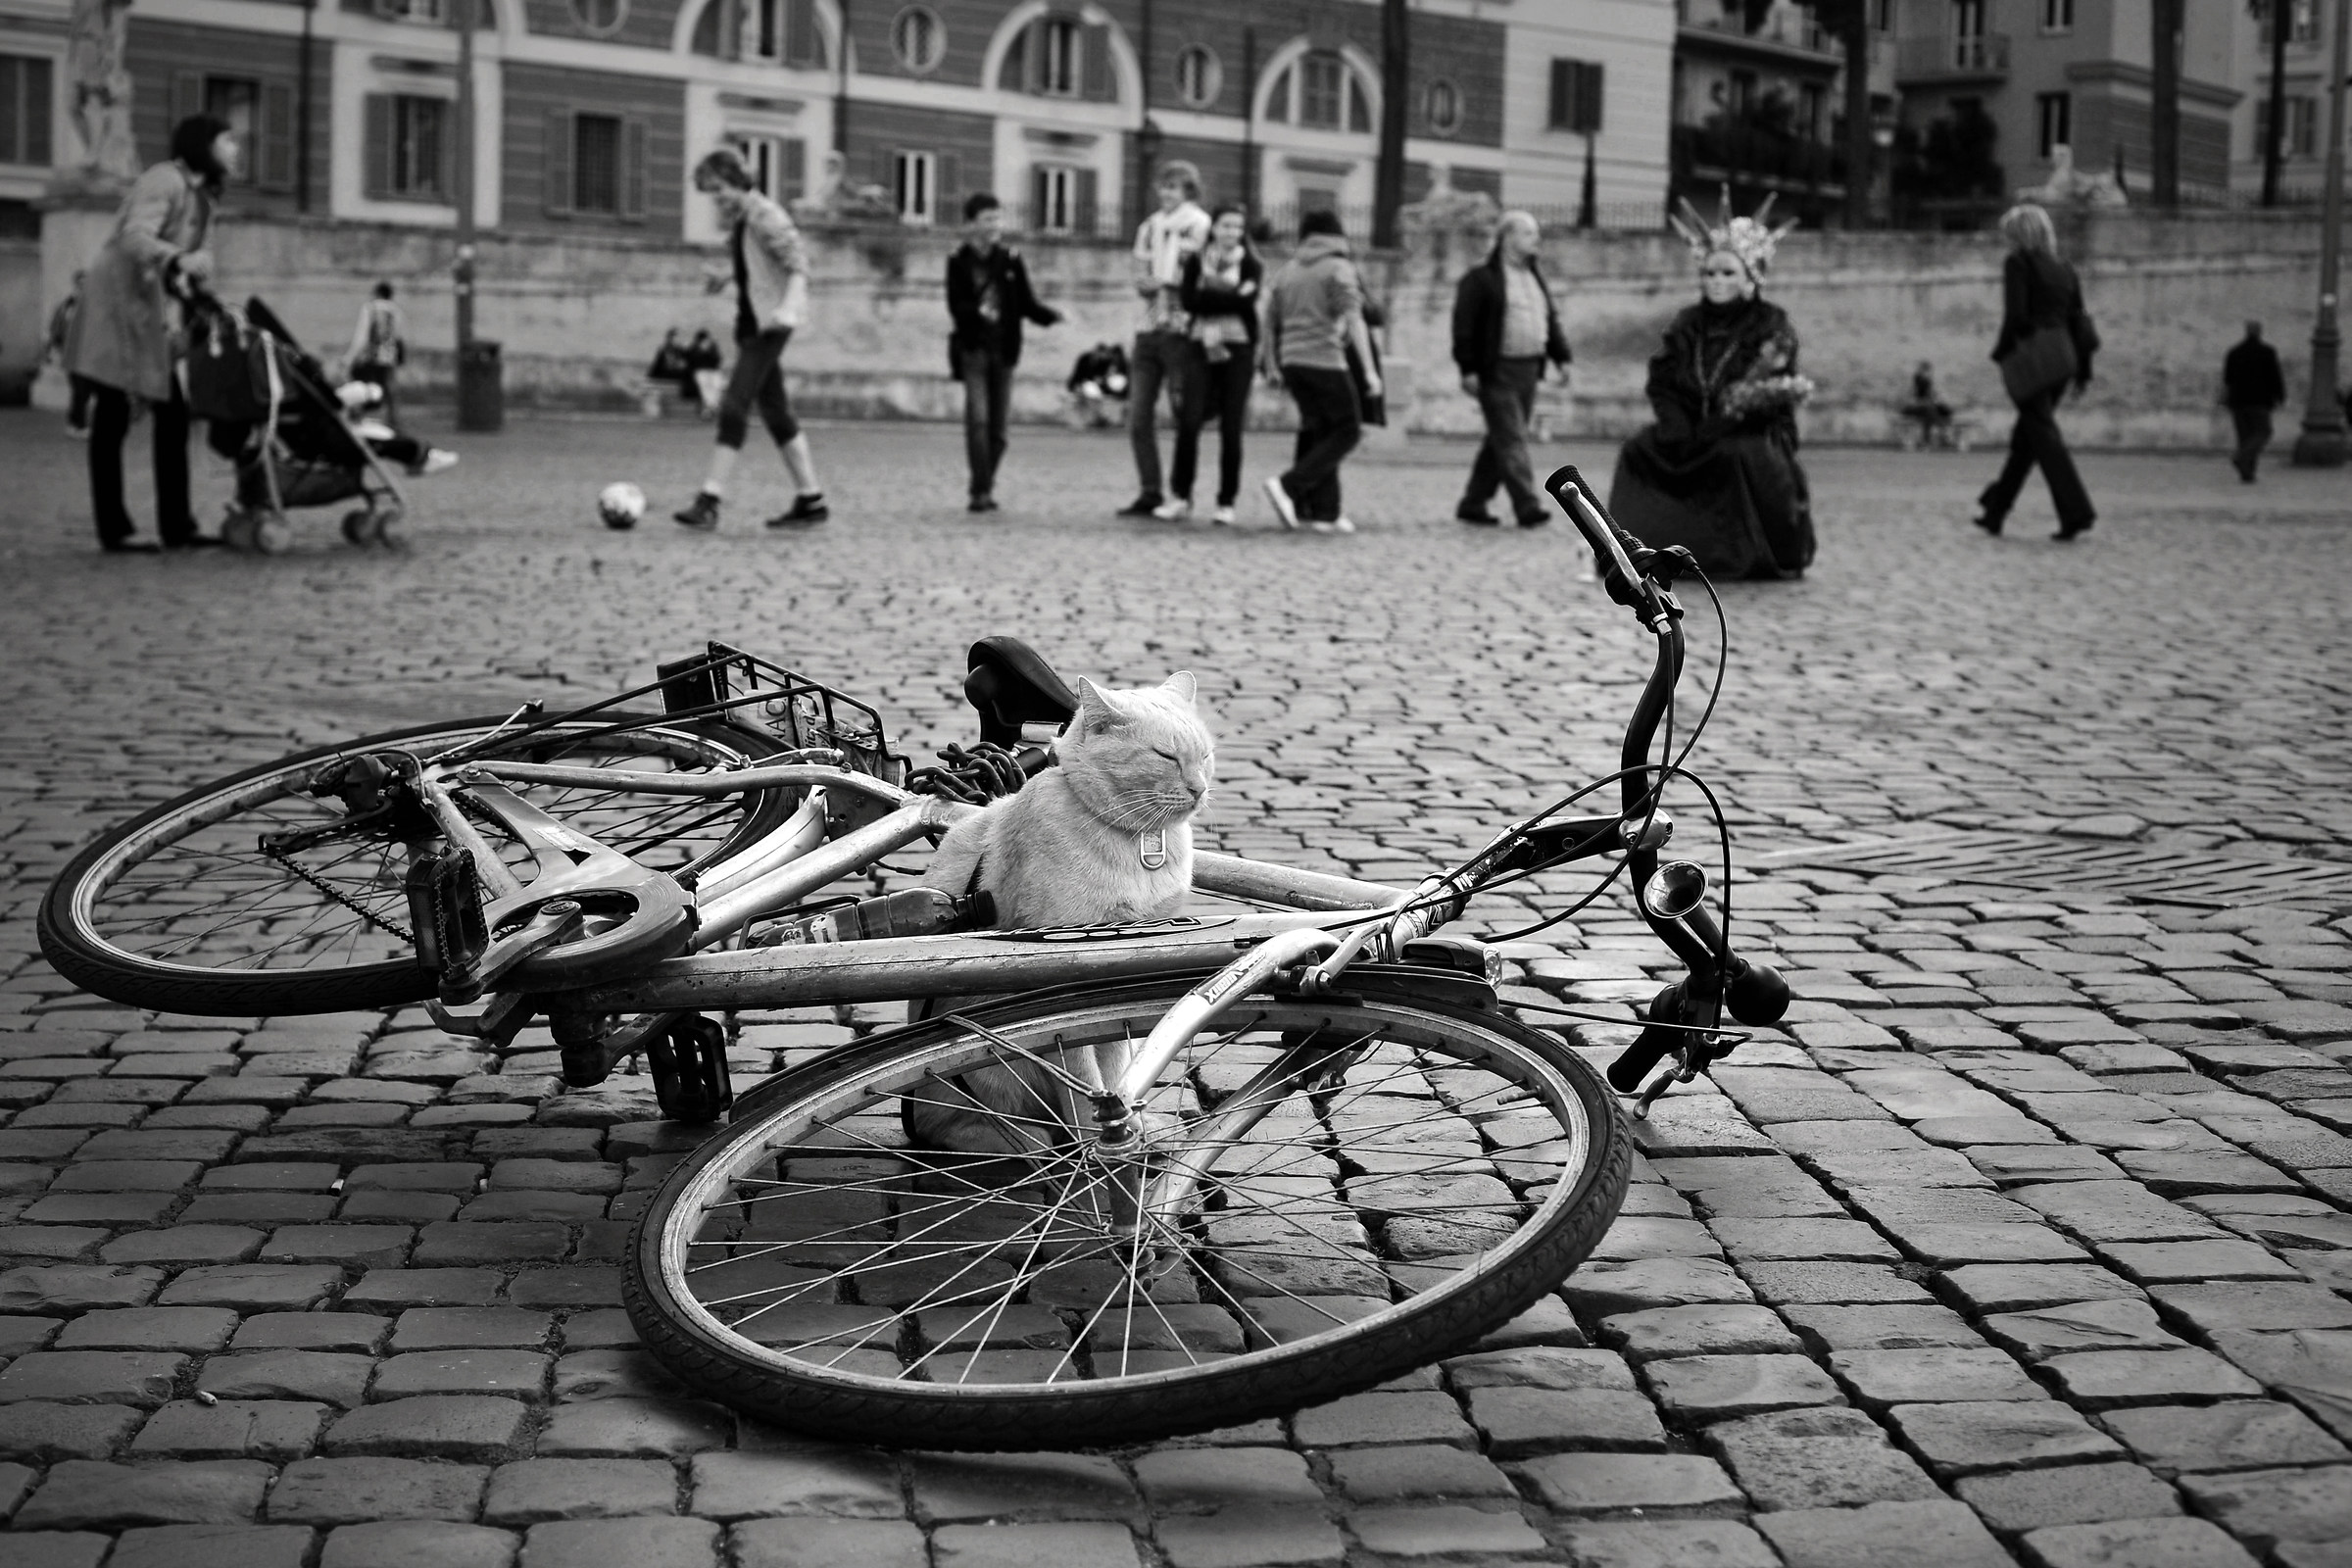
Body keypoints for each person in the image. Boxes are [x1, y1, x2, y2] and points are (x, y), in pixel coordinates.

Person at [1606, 193, 1815, 580]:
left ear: (1750, 277)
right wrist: (1677, 425)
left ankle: (1727, 555)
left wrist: (1725, 422)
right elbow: (1664, 379)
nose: (1716, 282)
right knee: (1638, 450)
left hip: (1751, 429)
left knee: (1733, 454)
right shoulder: (1687, 322)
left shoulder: (1771, 323)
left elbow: (1768, 389)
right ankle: (1638, 553)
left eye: (1728, 274)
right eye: (1710, 273)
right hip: (1687, 428)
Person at [65, 112, 234, 553]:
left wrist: (202, 289)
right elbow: (134, 236)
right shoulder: (164, 180)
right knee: (114, 415)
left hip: (147, 313)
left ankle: (176, 527)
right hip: (117, 306)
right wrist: (178, 258)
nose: (236, 149)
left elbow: (193, 260)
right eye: (227, 141)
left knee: (171, 416)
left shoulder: (203, 197)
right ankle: (116, 529)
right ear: (204, 145)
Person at [673, 147, 827, 532]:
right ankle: (811, 500)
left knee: (734, 406)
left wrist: (788, 308)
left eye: (719, 189)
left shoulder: (766, 215)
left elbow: (798, 265)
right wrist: (725, 277)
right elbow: (753, 261)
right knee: (777, 413)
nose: (717, 199)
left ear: (738, 181)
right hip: (752, 325)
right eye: (711, 192)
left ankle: (709, 501)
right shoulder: (744, 218)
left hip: (769, 326)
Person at [1975, 202, 2098, 540]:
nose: (2007, 241)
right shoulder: (2065, 268)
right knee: (2028, 438)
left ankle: (2076, 512)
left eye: (2009, 235)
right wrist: (2084, 370)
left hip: (2035, 358)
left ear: (2019, 234)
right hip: (2065, 358)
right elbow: (2079, 320)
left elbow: (2015, 315)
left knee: (2043, 437)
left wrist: (2001, 353)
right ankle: (1995, 511)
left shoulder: (2018, 263)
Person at [1259, 209, 1379, 535]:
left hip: (1292, 361)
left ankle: (1327, 512)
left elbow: (1267, 320)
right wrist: (1369, 371)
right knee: (1348, 430)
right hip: (1325, 359)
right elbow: (1354, 318)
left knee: (1323, 433)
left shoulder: (1288, 270)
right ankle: (1288, 486)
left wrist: (1271, 364)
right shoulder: (1339, 267)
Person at [1450, 210, 1573, 528]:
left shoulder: (1534, 276)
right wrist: (1468, 368)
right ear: (1507, 237)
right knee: (1512, 436)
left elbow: (1549, 320)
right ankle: (1527, 504)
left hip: (1529, 369)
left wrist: (1561, 357)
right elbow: (1464, 326)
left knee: (1501, 438)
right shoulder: (1481, 279)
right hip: (1496, 370)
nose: (1536, 239)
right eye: (1529, 233)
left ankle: (1473, 502)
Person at [946, 191, 1061, 514]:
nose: (994, 224)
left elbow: (1026, 302)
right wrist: (978, 311)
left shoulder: (1010, 258)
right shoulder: (958, 260)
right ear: (971, 224)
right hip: (973, 350)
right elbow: (955, 306)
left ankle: (982, 484)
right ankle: (980, 492)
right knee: (978, 421)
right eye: (987, 219)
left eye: (997, 218)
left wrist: (1050, 316)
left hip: (1005, 350)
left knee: (999, 432)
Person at [1118, 160, 1210, 516]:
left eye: (1175, 187)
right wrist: (1146, 283)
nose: (1167, 193)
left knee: (1182, 414)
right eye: (1164, 186)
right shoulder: (1149, 227)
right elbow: (1140, 271)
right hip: (1149, 326)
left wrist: (1170, 284)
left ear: (1189, 191)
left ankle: (1180, 493)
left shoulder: (1200, 225)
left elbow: (1202, 276)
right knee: (1138, 416)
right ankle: (1150, 490)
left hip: (1181, 329)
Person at [1170, 204, 1263, 524]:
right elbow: (1189, 301)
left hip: (1238, 348)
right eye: (1226, 225)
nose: (1231, 232)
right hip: (1200, 344)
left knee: (1231, 426)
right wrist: (1231, 296)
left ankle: (1226, 502)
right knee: (1189, 420)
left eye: (1237, 227)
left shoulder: (1251, 263)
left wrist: (1211, 294)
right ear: (1214, 228)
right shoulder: (1196, 260)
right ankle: (1181, 495)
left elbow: (1247, 301)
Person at [2223, 320, 2286, 483]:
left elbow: (2227, 378)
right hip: (2260, 401)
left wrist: (2228, 398)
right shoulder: (2267, 352)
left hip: (2238, 401)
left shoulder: (2234, 352)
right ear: (2259, 332)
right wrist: (2280, 396)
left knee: (2245, 438)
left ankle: (2247, 473)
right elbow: (2274, 376)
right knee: (2263, 432)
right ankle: (2242, 458)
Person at [346, 281, 406, 423]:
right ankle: (393, 419)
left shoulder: (370, 308)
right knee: (388, 386)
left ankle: (357, 416)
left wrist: (350, 356)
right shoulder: (395, 310)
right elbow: (398, 336)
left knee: (363, 385)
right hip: (388, 355)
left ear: (378, 293)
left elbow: (362, 336)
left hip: (370, 355)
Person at [45, 272, 93, 436]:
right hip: (71, 354)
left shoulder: (92, 305)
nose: (83, 287)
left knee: (83, 390)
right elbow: (56, 328)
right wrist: (52, 349)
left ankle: (74, 421)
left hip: (87, 354)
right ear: (75, 285)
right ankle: (79, 424)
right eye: (80, 284)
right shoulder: (66, 306)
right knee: (79, 389)